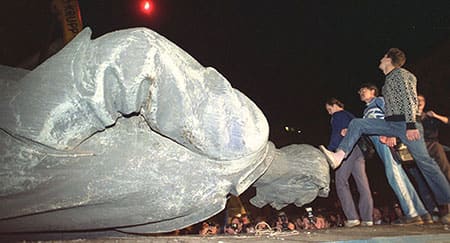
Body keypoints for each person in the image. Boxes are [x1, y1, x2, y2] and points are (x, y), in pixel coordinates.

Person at [319, 48, 450, 224]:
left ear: (389, 59)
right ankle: (338, 156)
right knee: (357, 124)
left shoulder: (401, 74)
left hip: (406, 124)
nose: (380, 60)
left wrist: (411, 125)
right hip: (392, 125)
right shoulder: (387, 82)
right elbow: (389, 110)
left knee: (425, 163)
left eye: (383, 57)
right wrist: (388, 132)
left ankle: (445, 203)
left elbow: (410, 98)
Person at [357, 83, 431, 225]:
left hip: (386, 142)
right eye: (360, 91)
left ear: (373, 91)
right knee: (401, 176)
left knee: (394, 176)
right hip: (380, 145)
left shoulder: (379, 100)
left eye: (363, 90)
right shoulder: (367, 109)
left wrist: (392, 134)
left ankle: (412, 213)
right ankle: (421, 212)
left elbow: (392, 116)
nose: (361, 92)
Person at [324, 98, 373, 227]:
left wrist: (329, 150)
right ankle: (368, 219)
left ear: (335, 105)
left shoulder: (337, 115)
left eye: (329, 109)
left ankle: (352, 218)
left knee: (340, 182)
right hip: (358, 150)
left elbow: (337, 134)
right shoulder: (350, 115)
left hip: (346, 150)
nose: (329, 113)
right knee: (363, 184)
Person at [418, 94, 450, 182]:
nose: (419, 102)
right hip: (419, 146)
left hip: (433, 144)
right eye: (417, 100)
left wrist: (436, 116)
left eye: (422, 100)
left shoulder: (429, 117)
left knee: (439, 149)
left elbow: (448, 121)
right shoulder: (410, 118)